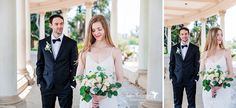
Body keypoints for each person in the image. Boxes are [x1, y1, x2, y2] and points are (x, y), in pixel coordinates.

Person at [76, 15, 124, 108]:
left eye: (99, 29)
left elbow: (120, 80)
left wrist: (105, 94)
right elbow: (78, 77)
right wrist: (87, 94)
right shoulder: (85, 52)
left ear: (105, 28)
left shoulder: (115, 52)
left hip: (108, 101)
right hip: (89, 100)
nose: (96, 33)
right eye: (93, 30)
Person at [36, 14, 78, 108]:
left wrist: (72, 83)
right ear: (51, 25)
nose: (59, 26)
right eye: (56, 24)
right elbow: (40, 63)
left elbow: (74, 64)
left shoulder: (71, 43)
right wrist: (40, 81)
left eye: (61, 23)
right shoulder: (42, 43)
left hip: (65, 86)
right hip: (47, 85)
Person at [200, 27, 236, 108]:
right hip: (209, 91)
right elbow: (201, 74)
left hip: (224, 90)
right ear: (211, 37)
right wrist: (210, 84)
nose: (220, 37)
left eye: (221, 35)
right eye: (217, 35)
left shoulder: (226, 52)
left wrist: (220, 84)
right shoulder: (205, 54)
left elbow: (231, 73)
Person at [169, 27, 200, 108]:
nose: (184, 36)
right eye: (182, 34)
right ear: (180, 36)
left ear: (188, 35)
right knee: (177, 103)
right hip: (177, 79)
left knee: (192, 104)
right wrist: (172, 77)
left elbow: (197, 64)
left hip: (191, 80)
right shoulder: (174, 48)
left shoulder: (195, 48)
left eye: (186, 34)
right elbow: (171, 63)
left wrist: (196, 77)